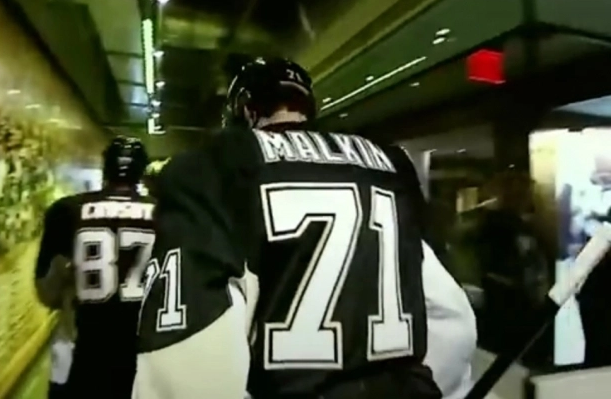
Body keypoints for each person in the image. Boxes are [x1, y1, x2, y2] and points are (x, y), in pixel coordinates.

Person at [134, 57, 471, 399]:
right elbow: (452, 320)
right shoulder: (388, 165)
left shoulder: (217, 165)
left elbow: (188, 353)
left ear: (246, 110)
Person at [35, 136, 156, 399]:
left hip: (80, 355)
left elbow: (46, 293)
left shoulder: (66, 211)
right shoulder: (165, 214)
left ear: (105, 167)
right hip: (142, 355)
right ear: (142, 171)